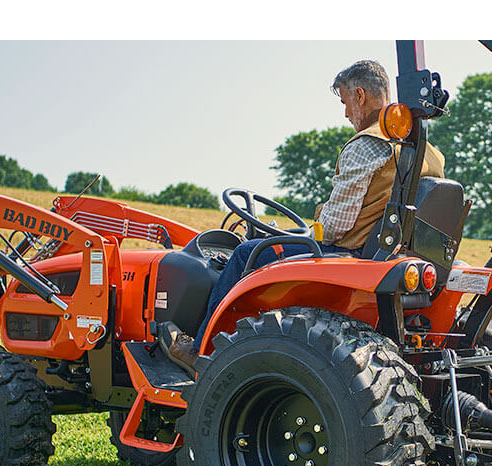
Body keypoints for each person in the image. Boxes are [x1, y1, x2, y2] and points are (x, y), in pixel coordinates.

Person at [159, 60, 445, 374]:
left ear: (360, 95)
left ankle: (201, 352)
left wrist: (309, 230)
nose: (346, 114)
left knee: (243, 254)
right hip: (394, 256)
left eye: (345, 103)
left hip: (352, 256)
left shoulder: (366, 145)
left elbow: (335, 227)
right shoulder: (426, 151)